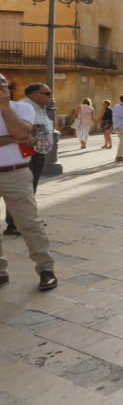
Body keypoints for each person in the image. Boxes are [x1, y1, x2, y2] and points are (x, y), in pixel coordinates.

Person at [0, 72, 57, 291]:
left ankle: (46, 269)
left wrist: (4, 109)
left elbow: (24, 132)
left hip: (16, 173)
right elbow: (22, 136)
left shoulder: (22, 108)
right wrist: (15, 139)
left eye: (3, 83)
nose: (1, 87)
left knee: (30, 223)